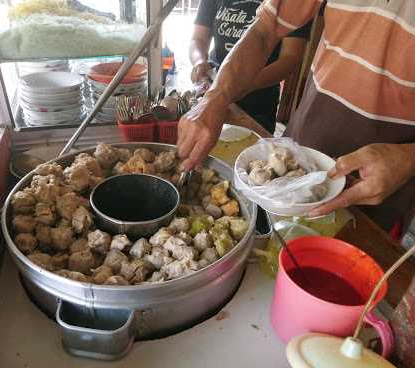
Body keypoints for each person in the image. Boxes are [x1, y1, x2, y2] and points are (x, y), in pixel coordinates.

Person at [178, 0, 415, 231]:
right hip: (298, 150)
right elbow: (264, 30)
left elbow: (289, 58)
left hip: (381, 190)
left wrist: (408, 157)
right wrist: (216, 97)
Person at [190, 0, 311, 133]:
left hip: (259, 96)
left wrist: (247, 83)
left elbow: (290, 58)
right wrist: (199, 62)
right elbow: (198, 39)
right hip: (213, 85)